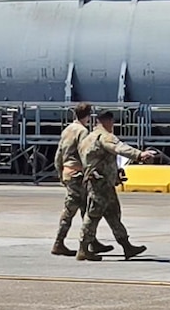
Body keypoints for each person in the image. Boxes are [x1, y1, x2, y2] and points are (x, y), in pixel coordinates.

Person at [78, 109, 160, 261]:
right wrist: (139, 155)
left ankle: (126, 245)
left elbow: (100, 160)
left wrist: (115, 173)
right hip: (100, 183)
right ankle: (83, 248)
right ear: (109, 122)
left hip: (102, 182)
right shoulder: (105, 136)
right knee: (93, 215)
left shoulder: (89, 137)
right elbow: (119, 148)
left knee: (113, 214)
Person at [50, 104, 109, 257]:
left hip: (68, 172)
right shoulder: (83, 132)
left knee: (85, 208)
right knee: (72, 209)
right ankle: (59, 243)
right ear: (88, 116)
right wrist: (91, 172)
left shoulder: (67, 130)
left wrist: (60, 172)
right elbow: (85, 154)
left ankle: (91, 241)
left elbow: (59, 154)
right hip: (77, 174)